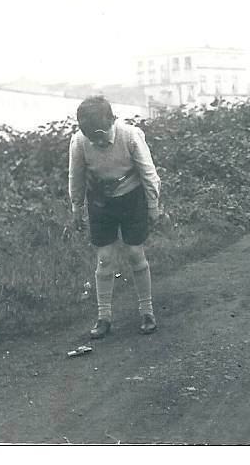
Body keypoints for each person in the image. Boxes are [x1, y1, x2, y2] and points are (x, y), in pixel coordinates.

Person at [69, 96, 162, 338]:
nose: (98, 141)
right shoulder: (79, 142)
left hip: (132, 197)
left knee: (134, 252)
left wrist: (153, 205)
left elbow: (148, 172)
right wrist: (76, 208)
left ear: (112, 120)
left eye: (101, 134)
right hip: (100, 201)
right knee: (105, 259)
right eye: (92, 136)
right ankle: (104, 317)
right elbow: (76, 177)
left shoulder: (130, 136)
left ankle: (147, 311)